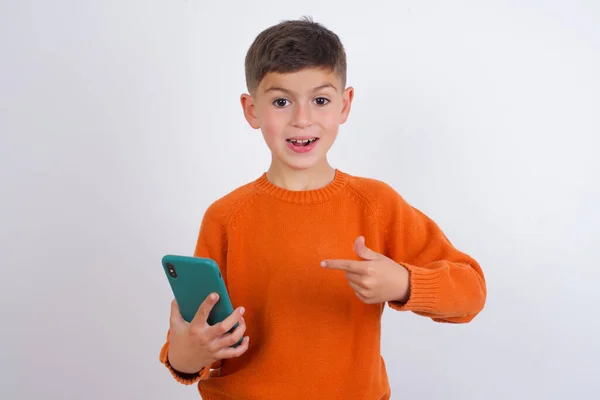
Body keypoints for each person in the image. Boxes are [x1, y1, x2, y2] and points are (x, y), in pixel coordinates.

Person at [158, 17, 487, 400]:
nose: (302, 119)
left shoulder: (376, 205)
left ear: (344, 104)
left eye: (320, 100)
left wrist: (403, 283)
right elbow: (189, 353)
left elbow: (471, 292)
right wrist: (186, 353)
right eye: (281, 101)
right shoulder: (226, 217)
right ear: (251, 110)